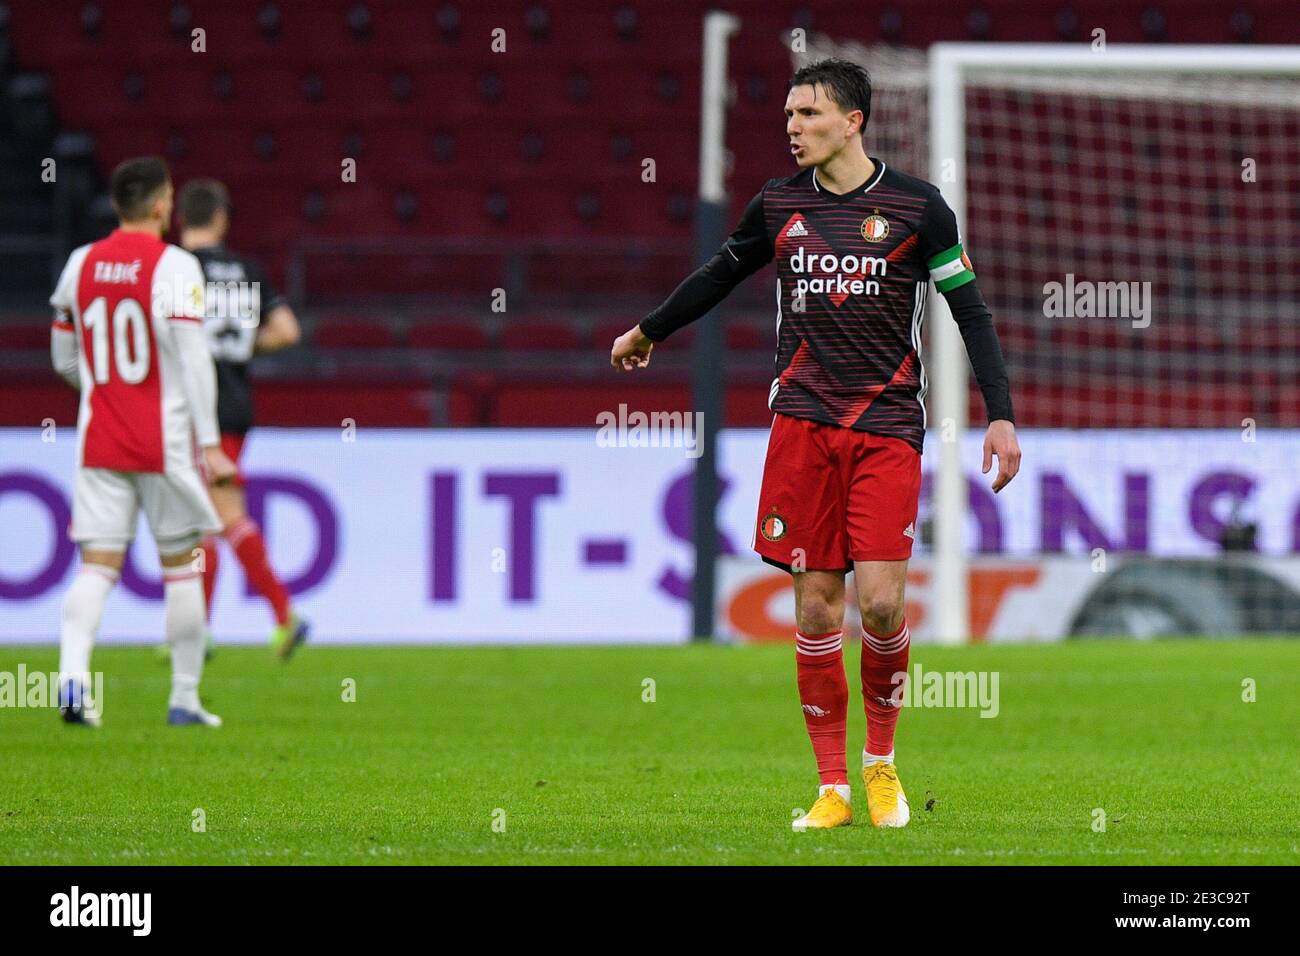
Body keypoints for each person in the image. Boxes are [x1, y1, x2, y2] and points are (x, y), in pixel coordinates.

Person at [610, 59, 1022, 830]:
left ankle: (881, 767)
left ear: (852, 120)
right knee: (813, 610)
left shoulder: (918, 208)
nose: (793, 127)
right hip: (801, 426)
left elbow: (971, 313)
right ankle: (832, 786)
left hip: (888, 426)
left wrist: (999, 413)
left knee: (884, 601)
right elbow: (718, 275)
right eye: (789, 115)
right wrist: (648, 330)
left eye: (808, 114)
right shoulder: (778, 205)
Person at [50, 156, 235, 727]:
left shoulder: (80, 264)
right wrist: (209, 444)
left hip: (99, 438)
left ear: (115, 205)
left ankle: (75, 681)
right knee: (183, 565)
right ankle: (183, 699)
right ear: (160, 205)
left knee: (97, 566)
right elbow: (195, 359)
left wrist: (100, 391)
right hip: (164, 444)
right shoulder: (175, 267)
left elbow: (63, 357)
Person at [176, 178, 308, 659]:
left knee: (216, 516)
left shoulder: (175, 269)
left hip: (191, 408)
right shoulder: (248, 271)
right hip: (235, 404)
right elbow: (288, 330)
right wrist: (241, 347)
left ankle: (282, 614)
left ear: (180, 217)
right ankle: (205, 629)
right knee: (212, 517)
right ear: (221, 218)